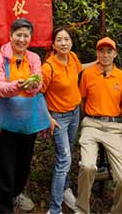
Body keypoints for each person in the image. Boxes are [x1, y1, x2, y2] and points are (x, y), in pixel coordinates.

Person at [0, 18, 43, 213]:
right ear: (10, 36)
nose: (22, 39)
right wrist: (16, 86)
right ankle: (2, 208)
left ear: (30, 38)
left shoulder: (33, 58)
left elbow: (38, 83)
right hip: (4, 122)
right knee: (3, 168)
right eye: (18, 34)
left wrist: (34, 85)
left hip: (27, 121)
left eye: (26, 35)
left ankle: (16, 193)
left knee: (23, 164)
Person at [76, 37, 122, 214]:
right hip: (91, 124)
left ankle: (117, 211)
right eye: (101, 51)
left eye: (109, 51)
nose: (105, 54)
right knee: (87, 166)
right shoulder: (88, 74)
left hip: (113, 127)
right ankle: (82, 209)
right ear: (97, 53)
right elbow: (82, 102)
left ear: (115, 54)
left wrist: (111, 117)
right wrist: (93, 116)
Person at [41, 26, 84, 214]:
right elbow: (38, 95)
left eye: (66, 39)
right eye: (59, 40)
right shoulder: (48, 66)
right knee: (64, 159)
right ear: (53, 44)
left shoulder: (73, 58)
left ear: (71, 42)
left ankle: (65, 189)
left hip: (74, 113)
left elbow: (81, 69)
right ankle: (55, 209)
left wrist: (101, 62)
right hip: (58, 118)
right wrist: (48, 118)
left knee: (66, 155)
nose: (63, 43)